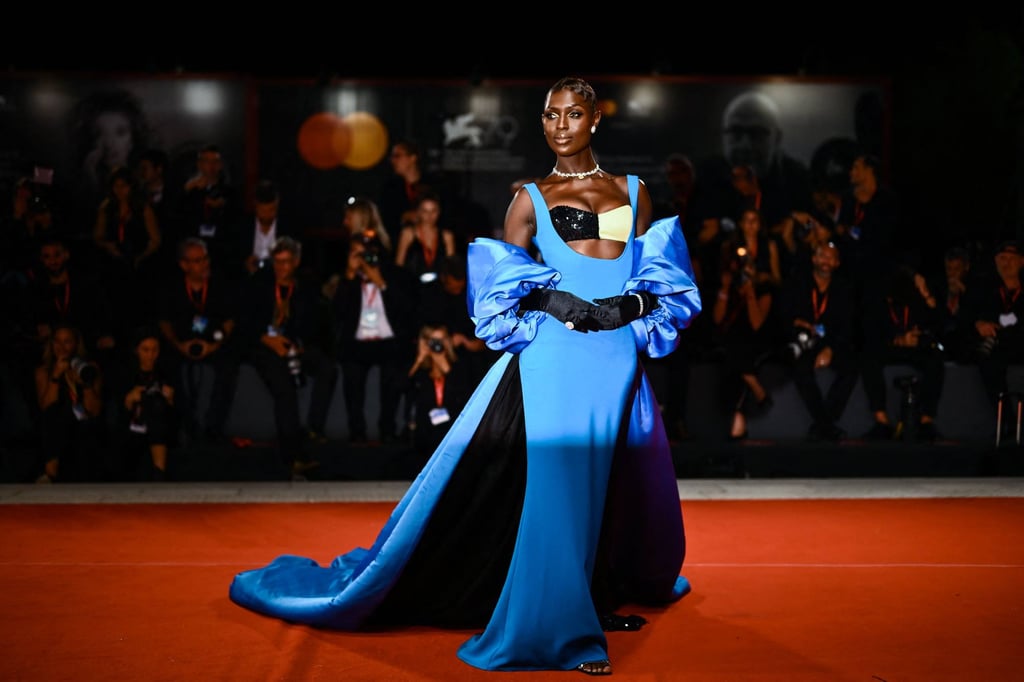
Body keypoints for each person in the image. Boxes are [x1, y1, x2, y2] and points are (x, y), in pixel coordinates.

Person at [230, 76, 702, 675]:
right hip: (555, 356)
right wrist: (556, 302)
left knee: (604, 487)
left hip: (615, 357)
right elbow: (499, 293)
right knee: (556, 493)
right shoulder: (529, 197)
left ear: (594, 120)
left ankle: (591, 594)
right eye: (550, 115)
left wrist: (626, 307)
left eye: (572, 114)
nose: (559, 126)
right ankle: (559, 633)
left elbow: (658, 280)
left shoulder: (635, 191)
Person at [235, 236, 336, 476]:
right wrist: (267, 340)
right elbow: (244, 323)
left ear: (296, 262)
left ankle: (314, 429)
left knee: (327, 368)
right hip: (262, 345)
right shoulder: (259, 283)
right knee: (284, 387)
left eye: (287, 262)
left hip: (295, 344)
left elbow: (316, 323)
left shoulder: (306, 286)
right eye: (277, 262)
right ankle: (292, 455)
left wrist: (300, 345)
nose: (282, 268)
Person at [778, 241, 859, 441]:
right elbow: (784, 315)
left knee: (851, 367)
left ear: (837, 263)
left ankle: (824, 423)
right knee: (800, 369)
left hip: (831, 341)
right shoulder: (798, 282)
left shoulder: (843, 288)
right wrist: (798, 323)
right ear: (814, 259)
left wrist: (830, 349)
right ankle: (826, 425)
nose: (826, 261)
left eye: (831, 257)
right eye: (822, 256)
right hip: (803, 341)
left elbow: (847, 324)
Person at [33, 323, 105, 483]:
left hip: (83, 425)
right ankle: (51, 471)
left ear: (76, 344)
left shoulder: (88, 368)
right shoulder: (43, 371)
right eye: (57, 341)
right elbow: (45, 407)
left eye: (67, 341)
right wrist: (55, 376)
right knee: (55, 414)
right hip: (56, 427)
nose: (61, 347)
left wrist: (85, 384)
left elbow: (95, 410)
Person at [108, 326, 176, 481]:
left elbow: (175, 415)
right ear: (136, 350)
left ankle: (159, 473)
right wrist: (128, 400)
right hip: (130, 429)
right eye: (145, 350)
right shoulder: (125, 374)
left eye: (154, 350)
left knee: (157, 409)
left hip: (159, 429)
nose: (150, 355)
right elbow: (116, 414)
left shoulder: (166, 373)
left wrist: (170, 399)